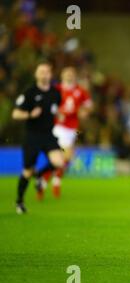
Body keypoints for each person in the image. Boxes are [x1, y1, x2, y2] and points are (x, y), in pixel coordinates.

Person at [12, 62, 64, 214]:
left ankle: (40, 176)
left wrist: (59, 114)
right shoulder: (29, 92)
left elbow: (56, 109)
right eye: (41, 71)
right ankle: (19, 201)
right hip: (32, 136)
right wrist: (29, 114)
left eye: (47, 72)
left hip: (48, 135)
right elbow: (15, 114)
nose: (44, 74)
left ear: (50, 74)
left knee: (59, 161)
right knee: (28, 170)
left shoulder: (55, 93)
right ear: (36, 75)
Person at [39, 66, 92, 198]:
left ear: (75, 76)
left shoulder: (81, 91)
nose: (69, 76)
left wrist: (85, 112)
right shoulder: (56, 89)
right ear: (62, 76)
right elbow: (47, 105)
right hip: (59, 127)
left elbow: (89, 105)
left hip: (74, 129)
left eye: (71, 73)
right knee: (62, 157)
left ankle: (44, 180)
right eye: (67, 73)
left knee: (66, 159)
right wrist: (57, 112)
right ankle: (54, 182)